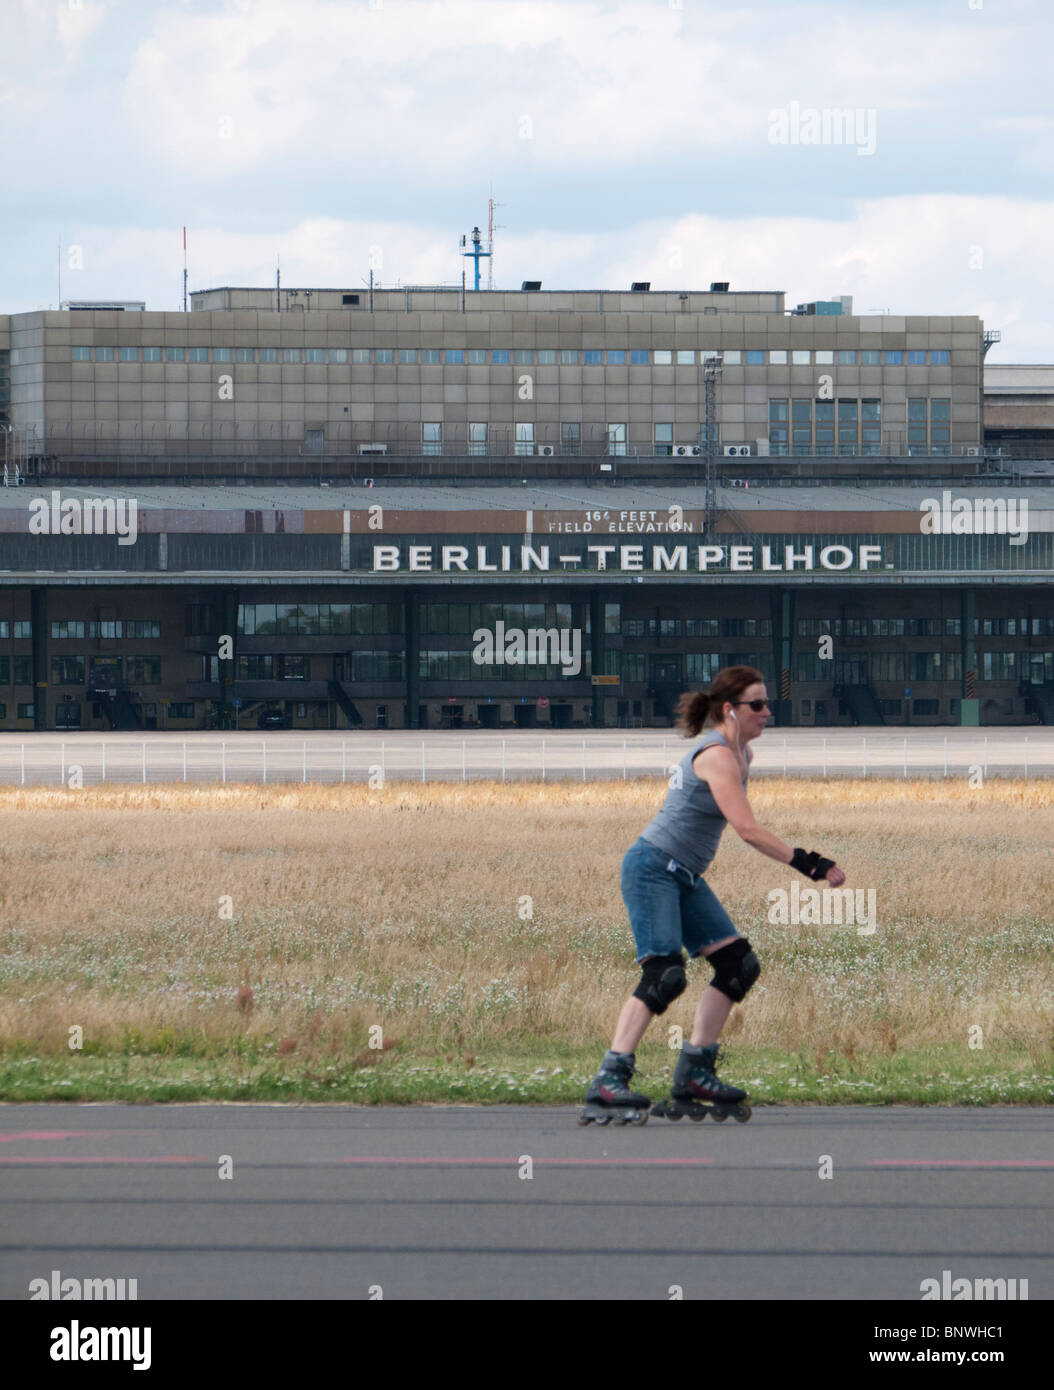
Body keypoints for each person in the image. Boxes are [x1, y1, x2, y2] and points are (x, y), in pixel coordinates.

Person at [584, 665, 847, 1118]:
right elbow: (746, 829)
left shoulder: (742, 755)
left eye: (769, 704)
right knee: (664, 975)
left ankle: (694, 1072)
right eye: (758, 705)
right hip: (652, 868)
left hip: (683, 874)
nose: (768, 713)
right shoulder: (718, 756)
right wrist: (810, 863)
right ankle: (611, 1077)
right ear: (730, 709)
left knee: (737, 966)